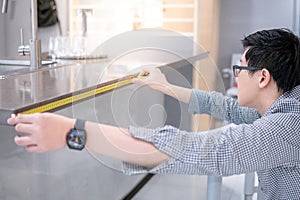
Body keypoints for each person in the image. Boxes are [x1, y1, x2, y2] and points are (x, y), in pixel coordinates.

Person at [7, 28, 300, 200]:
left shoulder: (286, 126)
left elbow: (203, 151)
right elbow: (224, 106)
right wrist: (165, 86)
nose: (236, 76)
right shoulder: (279, 105)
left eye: (240, 70)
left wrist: (74, 131)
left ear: (262, 78)